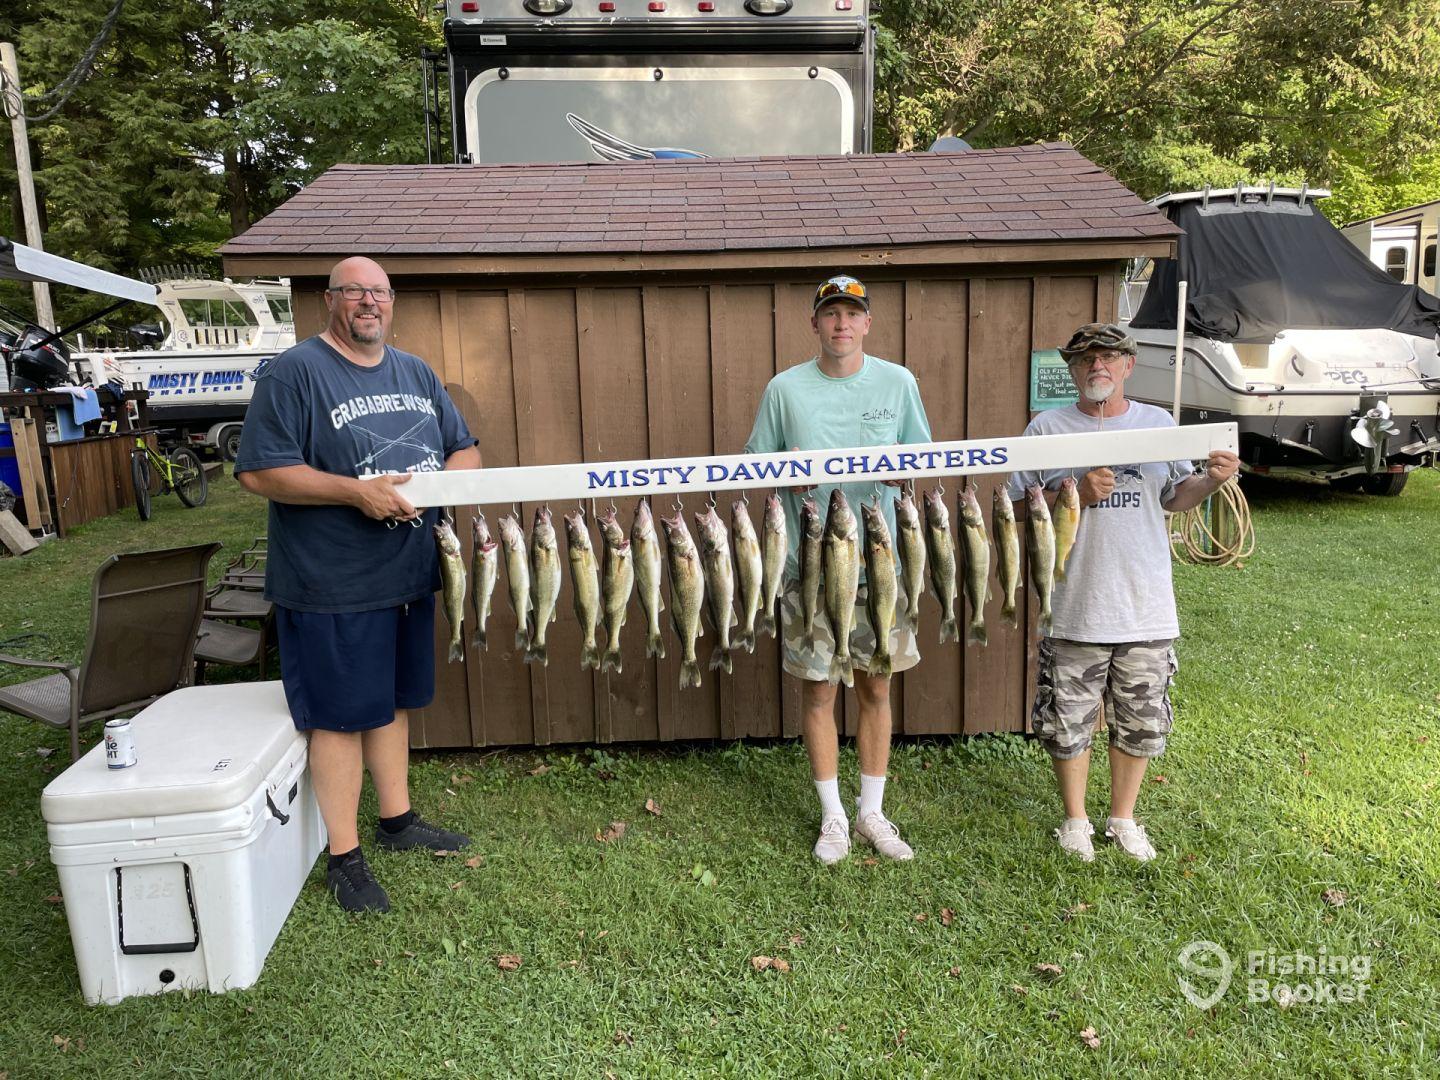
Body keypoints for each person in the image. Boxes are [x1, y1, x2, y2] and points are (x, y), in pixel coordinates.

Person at [234, 256, 482, 913]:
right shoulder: (294, 373)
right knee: (341, 718)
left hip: (407, 574)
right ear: (329, 301)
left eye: (379, 292)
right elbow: (260, 472)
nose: (368, 302)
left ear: (392, 303)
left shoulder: (416, 372)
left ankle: (396, 820)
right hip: (330, 581)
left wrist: (443, 484)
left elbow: (465, 448)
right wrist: (355, 493)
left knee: (393, 701)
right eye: (354, 292)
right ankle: (344, 856)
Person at [1007, 322, 1239, 863]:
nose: (1097, 367)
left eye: (1109, 357)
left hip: (1145, 605)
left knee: (1139, 721)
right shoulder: (1045, 429)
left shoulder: (1158, 424)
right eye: (1085, 359)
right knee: (1068, 723)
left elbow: (1175, 495)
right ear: (1070, 370)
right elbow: (1018, 507)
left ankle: (1123, 819)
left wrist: (1212, 480)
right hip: (1074, 604)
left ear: (1129, 365)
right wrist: (1076, 494)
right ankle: (1076, 821)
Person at [744, 275, 933, 864]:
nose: (841, 325)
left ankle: (871, 811)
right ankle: (833, 817)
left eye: (852, 314)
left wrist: (905, 472)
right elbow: (753, 465)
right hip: (810, 565)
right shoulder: (785, 389)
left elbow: (921, 460)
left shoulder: (898, 383)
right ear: (815, 324)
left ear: (867, 323)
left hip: (880, 565)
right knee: (820, 690)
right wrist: (781, 475)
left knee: (878, 684)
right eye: (831, 314)